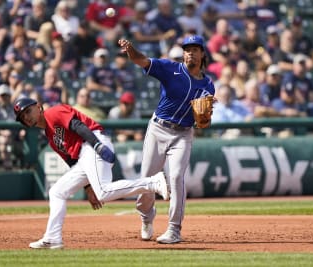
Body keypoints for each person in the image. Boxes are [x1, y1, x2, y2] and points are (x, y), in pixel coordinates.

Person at [13, 97, 169, 249]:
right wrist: (88, 188)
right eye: (22, 116)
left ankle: (153, 182)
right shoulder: (50, 135)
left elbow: (77, 125)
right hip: (83, 156)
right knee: (57, 192)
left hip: (91, 143)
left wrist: (97, 146)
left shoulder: (53, 112)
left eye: (28, 111)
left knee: (103, 192)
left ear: (38, 106)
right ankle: (52, 238)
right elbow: (71, 161)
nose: (26, 117)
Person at [118, 35, 215, 243]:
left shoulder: (208, 85)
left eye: (195, 49)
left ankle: (174, 229)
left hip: (183, 134)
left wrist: (205, 118)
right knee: (147, 180)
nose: (190, 52)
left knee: (177, 177)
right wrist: (131, 49)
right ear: (183, 53)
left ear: (202, 54)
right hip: (158, 129)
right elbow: (142, 60)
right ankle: (146, 217)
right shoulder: (170, 69)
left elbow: (203, 122)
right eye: (187, 49)